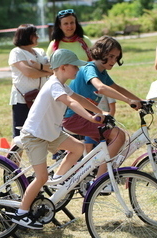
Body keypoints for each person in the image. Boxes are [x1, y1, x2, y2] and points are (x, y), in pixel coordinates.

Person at [11, 49, 104, 229]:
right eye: (74, 66)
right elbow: (71, 103)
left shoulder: (61, 84)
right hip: (35, 136)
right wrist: (91, 118)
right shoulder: (54, 85)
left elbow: (78, 98)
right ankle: (21, 212)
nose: (77, 70)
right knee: (41, 177)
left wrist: (101, 111)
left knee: (78, 148)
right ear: (63, 67)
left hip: (51, 133)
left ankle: (59, 179)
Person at [63, 36, 142, 179]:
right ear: (100, 52)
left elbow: (117, 87)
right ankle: (102, 180)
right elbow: (101, 87)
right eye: (111, 56)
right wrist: (129, 101)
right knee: (118, 136)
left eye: (116, 57)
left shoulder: (102, 72)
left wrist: (139, 100)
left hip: (86, 116)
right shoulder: (90, 68)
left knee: (110, 138)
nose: (113, 61)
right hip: (74, 117)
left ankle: (89, 172)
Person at [9, 24, 52, 138]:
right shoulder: (16, 52)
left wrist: (39, 66)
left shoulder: (39, 51)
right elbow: (28, 72)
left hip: (41, 98)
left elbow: (52, 66)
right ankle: (13, 156)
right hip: (22, 99)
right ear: (26, 36)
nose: (37, 37)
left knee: (41, 132)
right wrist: (46, 71)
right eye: (34, 35)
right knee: (20, 134)